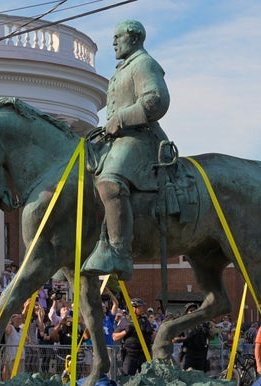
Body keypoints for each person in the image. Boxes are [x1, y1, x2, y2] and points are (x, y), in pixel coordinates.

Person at [82, 19, 170, 281]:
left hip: (141, 139)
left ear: (134, 37)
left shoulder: (144, 63)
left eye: (117, 37)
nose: (113, 42)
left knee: (109, 182)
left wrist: (120, 119)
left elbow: (156, 100)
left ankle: (120, 251)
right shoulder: (124, 68)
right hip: (117, 139)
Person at [113, 297, 154, 376]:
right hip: (130, 355)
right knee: (127, 377)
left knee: (148, 378)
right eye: (139, 307)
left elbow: (152, 335)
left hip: (144, 354)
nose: (142, 309)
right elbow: (115, 337)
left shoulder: (144, 321)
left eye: (142, 307)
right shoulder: (125, 320)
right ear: (133, 308)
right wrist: (126, 331)